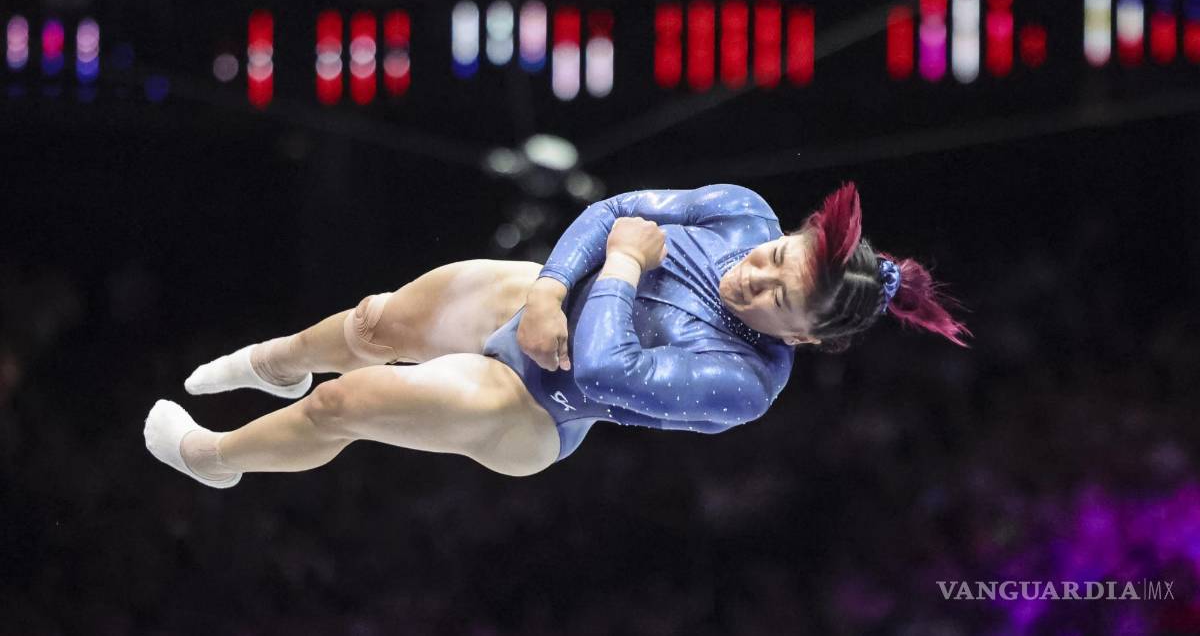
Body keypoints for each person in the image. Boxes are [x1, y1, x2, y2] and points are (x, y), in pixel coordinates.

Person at [144, 182, 969, 488]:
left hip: (533, 403)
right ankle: (273, 364)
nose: (753, 276)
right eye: (774, 257)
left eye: (776, 298)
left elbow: (604, 369)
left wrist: (621, 265)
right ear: (786, 231)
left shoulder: (746, 384)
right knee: (374, 320)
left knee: (346, 405)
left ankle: (215, 458)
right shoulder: (739, 211)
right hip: (538, 299)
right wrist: (547, 289)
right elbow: (613, 209)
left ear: (805, 339)